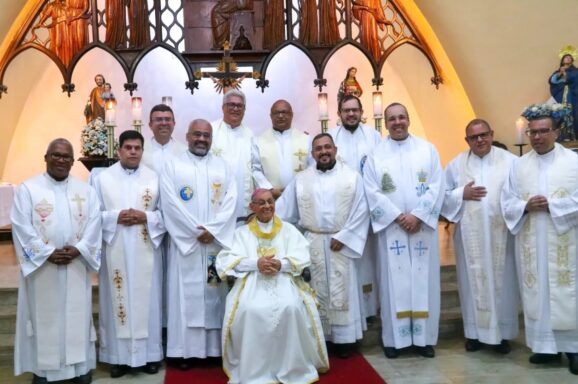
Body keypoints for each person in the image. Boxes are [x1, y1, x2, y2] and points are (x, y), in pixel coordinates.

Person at [11, 138, 102, 384]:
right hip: (43, 269)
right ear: (46, 157)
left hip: (75, 266)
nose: (61, 160)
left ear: (73, 161)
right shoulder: (29, 189)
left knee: (77, 318)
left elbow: (95, 225)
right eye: (56, 155)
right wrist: (45, 252)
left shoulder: (86, 191)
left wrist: (79, 250)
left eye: (66, 157)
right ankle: (45, 373)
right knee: (45, 320)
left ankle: (79, 370)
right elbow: (21, 227)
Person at [216, 189, 329, 382]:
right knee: (249, 309)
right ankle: (255, 370)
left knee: (291, 307)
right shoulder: (241, 233)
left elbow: (302, 256)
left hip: (284, 281)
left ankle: (291, 366)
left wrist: (281, 264)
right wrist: (256, 264)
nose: (267, 206)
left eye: (270, 201)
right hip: (252, 283)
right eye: (261, 203)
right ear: (252, 207)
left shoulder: (288, 230)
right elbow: (226, 260)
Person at [277, 133, 370, 358]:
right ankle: (320, 338)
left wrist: (346, 236)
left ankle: (344, 340)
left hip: (342, 242)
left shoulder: (352, 177)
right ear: (312, 154)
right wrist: (262, 216)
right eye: (318, 149)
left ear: (335, 150)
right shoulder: (301, 180)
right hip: (313, 241)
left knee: (342, 290)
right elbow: (284, 210)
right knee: (314, 290)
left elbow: (362, 210)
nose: (324, 152)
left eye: (327, 147)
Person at [501, 103, 578, 375]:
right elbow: (506, 201)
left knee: (568, 293)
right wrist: (524, 206)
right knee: (539, 294)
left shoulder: (574, 162)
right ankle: (546, 349)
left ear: (557, 132)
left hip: (565, 241)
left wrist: (553, 207)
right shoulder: (519, 166)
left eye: (543, 131)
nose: (536, 137)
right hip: (532, 242)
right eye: (533, 131)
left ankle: (573, 349)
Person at [363, 102, 444, 359]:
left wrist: (419, 216)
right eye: (392, 119)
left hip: (421, 229)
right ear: (385, 124)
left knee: (425, 282)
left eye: (401, 117)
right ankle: (393, 340)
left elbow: (436, 185)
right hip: (393, 229)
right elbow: (371, 191)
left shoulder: (427, 150)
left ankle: (424, 339)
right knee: (391, 285)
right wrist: (399, 217)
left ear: (408, 119)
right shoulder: (376, 155)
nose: (397, 122)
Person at [160, 119, 237, 369]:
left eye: (206, 135)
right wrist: (195, 232)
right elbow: (170, 204)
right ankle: (185, 352)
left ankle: (215, 350)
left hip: (214, 247)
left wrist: (213, 231)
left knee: (214, 291)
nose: (202, 139)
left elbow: (231, 201)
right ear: (187, 136)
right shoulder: (173, 166)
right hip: (187, 247)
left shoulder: (223, 167)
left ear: (211, 139)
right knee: (184, 297)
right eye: (197, 135)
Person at [442, 119, 519, 354]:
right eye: (474, 137)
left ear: (491, 134)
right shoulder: (456, 165)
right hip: (470, 239)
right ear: (467, 140)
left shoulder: (512, 163)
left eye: (483, 135)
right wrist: (460, 193)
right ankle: (473, 334)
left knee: (503, 285)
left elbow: (521, 194)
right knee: (469, 284)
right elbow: (441, 197)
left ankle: (502, 335)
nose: (480, 140)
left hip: (502, 236)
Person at [93, 131, 165, 378]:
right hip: (115, 248)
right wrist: (115, 217)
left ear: (142, 151)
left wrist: (147, 216)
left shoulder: (154, 178)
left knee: (149, 302)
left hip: (147, 250)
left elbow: (167, 214)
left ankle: (150, 356)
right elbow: (93, 216)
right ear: (119, 150)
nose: (133, 151)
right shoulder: (102, 178)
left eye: (137, 148)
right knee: (117, 300)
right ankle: (118, 358)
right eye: (128, 147)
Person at [328, 94, 381, 319]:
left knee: (368, 260)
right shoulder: (330, 137)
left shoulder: (374, 137)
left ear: (361, 112)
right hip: (340, 212)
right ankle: (349, 311)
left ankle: (369, 309)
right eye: (346, 110)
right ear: (339, 114)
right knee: (344, 262)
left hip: (368, 210)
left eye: (355, 110)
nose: (351, 114)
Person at [211, 90, 260, 222]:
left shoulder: (250, 135)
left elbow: (256, 169)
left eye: (239, 106)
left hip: (244, 211)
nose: (235, 108)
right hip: (215, 206)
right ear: (223, 107)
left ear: (244, 110)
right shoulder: (211, 131)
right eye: (231, 105)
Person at [253, 100, 309, 199]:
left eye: (284, 112)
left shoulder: (306, 140)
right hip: (272, 199)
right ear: (270, 116)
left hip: (300, 196)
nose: (280, 116)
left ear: (291, 115)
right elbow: (255, 169)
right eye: (276, 113)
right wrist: (269, 189)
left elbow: (312, 167)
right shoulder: (259, 141)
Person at [141, 104, 187, 174]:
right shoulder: (141, 150)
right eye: (159, 119)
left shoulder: (184, 151)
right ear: (150, 125)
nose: (164, 123)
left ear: (174, 124)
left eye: (167, 119)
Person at [549, 47, 578, 140]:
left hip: (572, 97)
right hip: (561, 96)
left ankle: (573, 135)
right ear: (562, 60)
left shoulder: (576, 71)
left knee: (572, 114)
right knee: (561, 113)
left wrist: (565, 75)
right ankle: (562, 135)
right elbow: (552, 81)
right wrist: (559, 74)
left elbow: (574, 80)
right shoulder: (558, 71)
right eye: (566, 57)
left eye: (570, 57)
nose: (568, 58)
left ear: (572, 60)